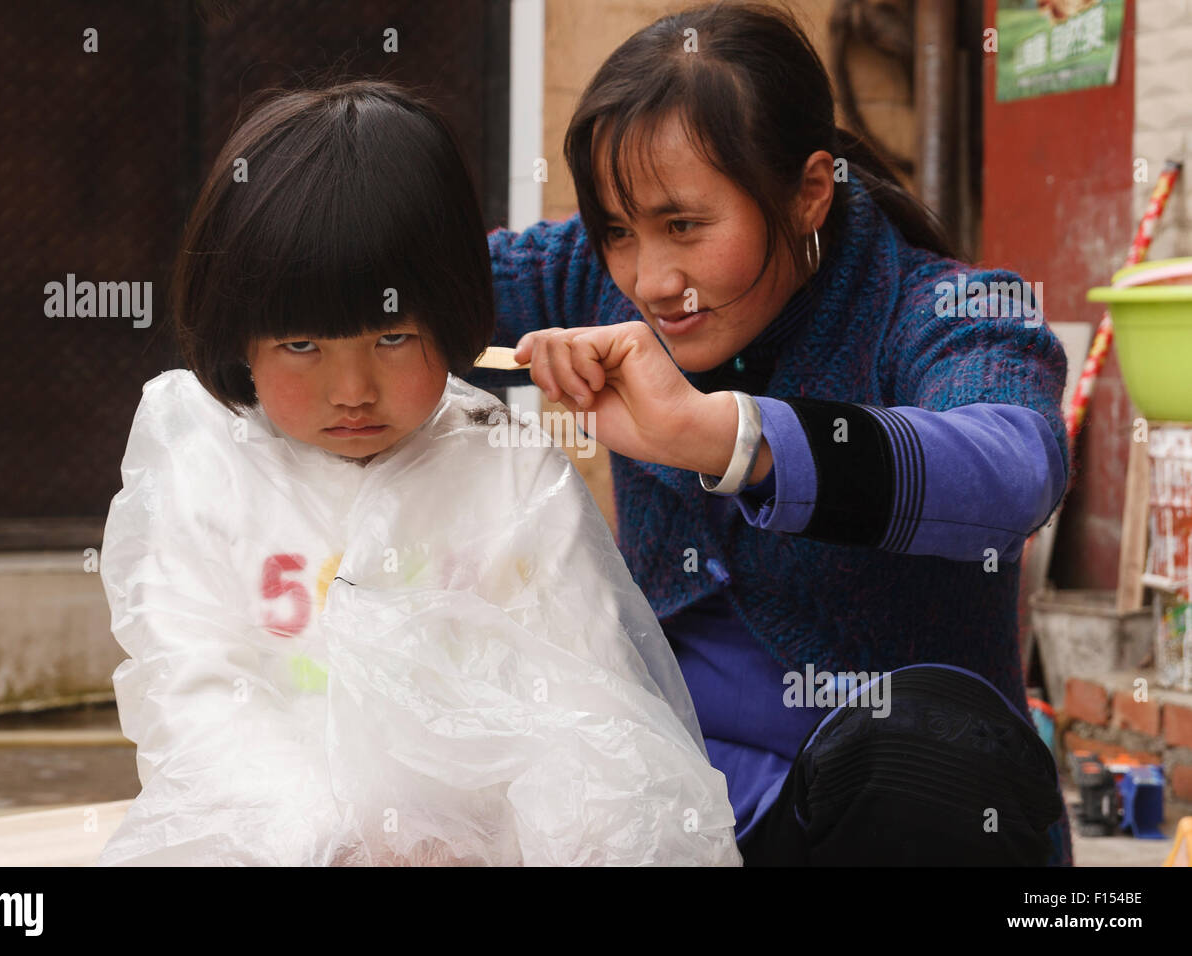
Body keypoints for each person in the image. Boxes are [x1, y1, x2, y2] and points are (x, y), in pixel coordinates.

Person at [465, 1, 1073, 865]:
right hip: (665, 807)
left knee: (929, 745)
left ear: (809, 192)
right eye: (617, 231)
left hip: (884, 826)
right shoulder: (587, 277)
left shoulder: (943, 311)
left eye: (685, 226)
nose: (648, 278)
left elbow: (1016, 468)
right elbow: (420, 281)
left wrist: (733, 440)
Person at [97, 80, 740, 866]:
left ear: (456, 314)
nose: (353, 390)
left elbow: (586, 702)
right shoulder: (203, 465)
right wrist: (332, 838)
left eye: (394, 338)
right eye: (303, 346)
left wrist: (500, 838)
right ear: (237, 337)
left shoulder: (503, 472)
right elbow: (190, 693)